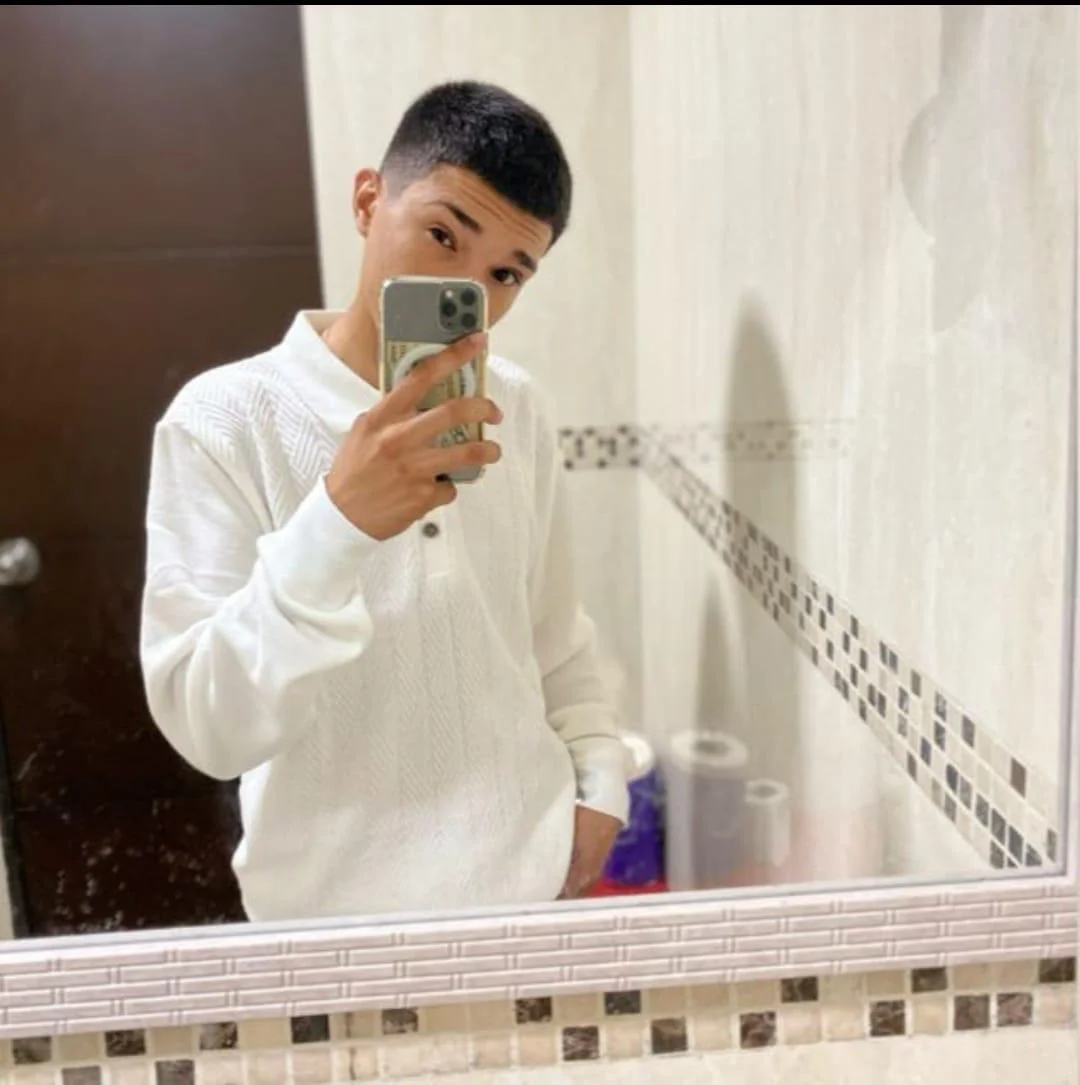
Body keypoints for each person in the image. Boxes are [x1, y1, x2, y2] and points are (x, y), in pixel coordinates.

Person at [139, 81, 630, 923]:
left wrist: (599, 785)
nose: (467, 288)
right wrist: (337, 522)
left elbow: (556, 638)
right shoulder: (222, 420)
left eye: (506, 273)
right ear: (369, 201)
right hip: (327, 924)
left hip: (529, 896)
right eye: (443, 234)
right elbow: (209, 725)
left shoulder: (515, 406)